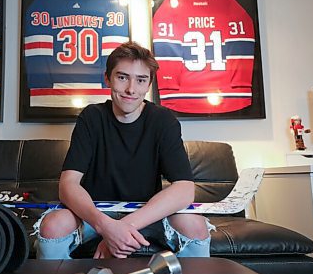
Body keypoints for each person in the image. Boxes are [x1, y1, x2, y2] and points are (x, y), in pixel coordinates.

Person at [33, 42, 213, 259]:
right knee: (53, 225)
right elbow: (68, 185)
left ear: (149, 84)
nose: (131, 89)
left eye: (141, 80)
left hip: (147, 212)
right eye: (122, 77)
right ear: (107, 78)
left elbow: (184, 189)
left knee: (195, 225)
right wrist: (105, 226)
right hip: (97, 212)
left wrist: (120, 229)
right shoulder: (92, 117)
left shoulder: (163, 120)